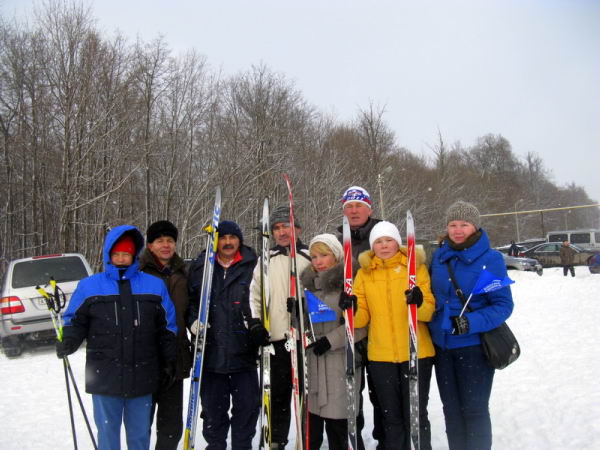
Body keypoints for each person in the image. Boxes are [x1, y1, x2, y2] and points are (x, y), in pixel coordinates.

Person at [56, 225, 178, 450]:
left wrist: (170, 358)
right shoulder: (89, 286)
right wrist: (69, 340)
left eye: (126, 254)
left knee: (140, 435)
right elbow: (75, 320)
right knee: (107, 434)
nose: (121, 259)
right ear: (108, 254)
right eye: (117, 254)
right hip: (104, 375)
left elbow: (167, 326)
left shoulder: (153, 285)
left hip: (142, 373)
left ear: (134, 255)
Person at [429, 201, 514, 450]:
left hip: (474, 347)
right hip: (442, 347)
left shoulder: (491, 259)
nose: (457, 230)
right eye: (453, 225)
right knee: (451, 411)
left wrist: (469, 322)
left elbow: (502, 306)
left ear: (475, 227)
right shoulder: (439, 257)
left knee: (474, 411)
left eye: (463, 225)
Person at [344, 220, 436, 450]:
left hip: (416, 352)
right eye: (378, 242)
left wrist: (419, 302)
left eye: (389, 240)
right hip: (381, 357)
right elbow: (361, 319)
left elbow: (428, 313)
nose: (384, 246)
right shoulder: (364, 274)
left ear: (397, 243)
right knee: (391, 417)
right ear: (372, 246)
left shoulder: (415, 269)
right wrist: (351, 308)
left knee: (415, 414)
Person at [187, 220, 260, 450]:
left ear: (240, 240)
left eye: (232, 237)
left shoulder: (254, 266)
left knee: (247, 411)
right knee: (213, 414)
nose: (228, 242)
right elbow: (190, 303)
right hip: (211, 356)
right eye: (223, 238)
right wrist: (193, 322)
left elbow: (262, 301)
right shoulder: (201, 267)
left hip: (244, 353)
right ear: (215, 241)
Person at [249, 205, 312, 449]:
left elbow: (322, 295)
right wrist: (255, 323)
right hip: (275, 340)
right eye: (276, 228)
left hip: (305, 341)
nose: (281, 232)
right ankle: (276, 440)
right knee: (277, 395)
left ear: (297, 228)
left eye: (286, 225)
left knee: (307, 396)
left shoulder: (310, 257)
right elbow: (254, 295)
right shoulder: (265, 259)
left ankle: (307, 439)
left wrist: (303, 309)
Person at [300, 234, 367, 449]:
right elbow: (305, 325)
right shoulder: (308, 287)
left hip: (340, 365)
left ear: (336, 256)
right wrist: (296, 314)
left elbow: (361, 326)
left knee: (340, 429)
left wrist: (330, 341)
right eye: (314, 256)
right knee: (312, 431)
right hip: (314, 365)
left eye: (323, 255)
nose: (317, 261)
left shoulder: (350, 284)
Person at [336, 185, 384, 449]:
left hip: (378, 328)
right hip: (349, 327)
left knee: (381, 393)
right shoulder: (337, 239)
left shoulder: (381, 237)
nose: (354, 211)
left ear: (369, 209)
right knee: (352, 390)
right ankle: (354, 439)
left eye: (358, 206)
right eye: (349, 206)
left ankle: (384, 440)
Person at [139, 220, 193, 450]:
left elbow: (189, 308)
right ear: (150, 245)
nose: (166, 245)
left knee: (171, 425)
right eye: (160, 241)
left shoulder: (184, 271)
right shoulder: (138, 272)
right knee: (142, 422)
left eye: (170, 240)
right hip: (146, 357)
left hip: (176, 356)